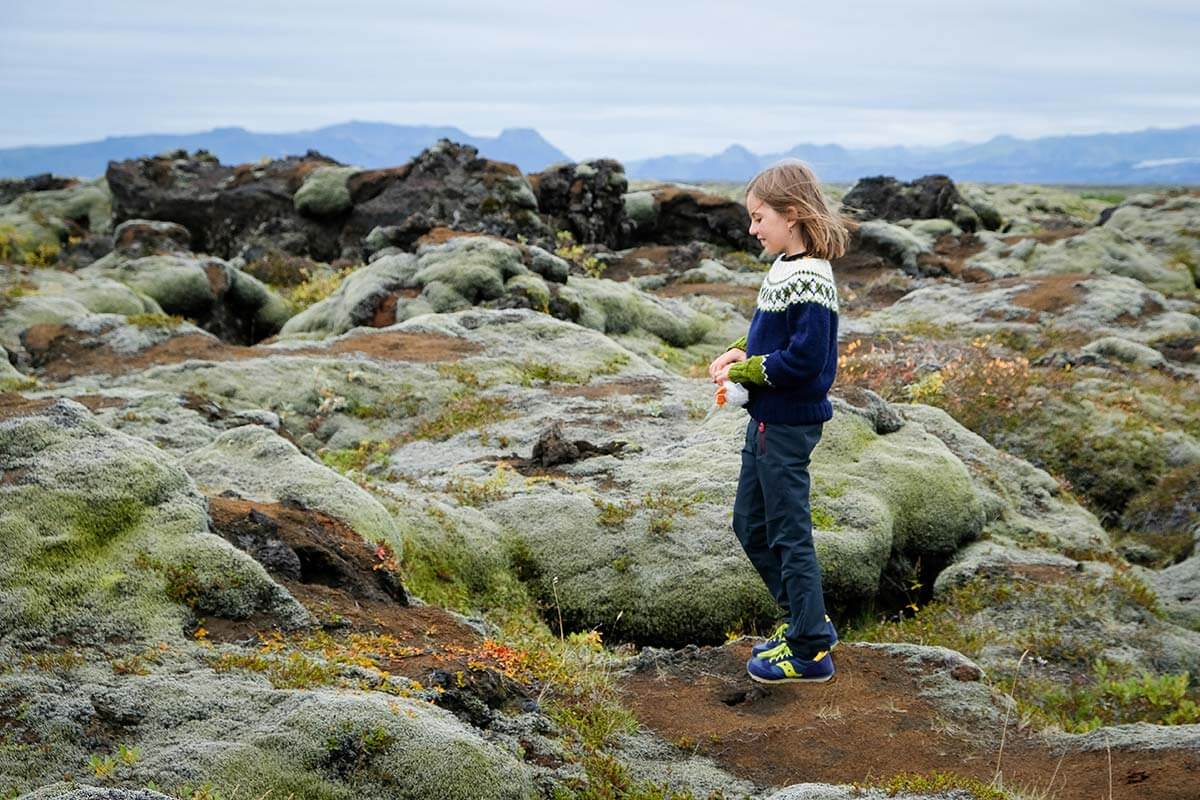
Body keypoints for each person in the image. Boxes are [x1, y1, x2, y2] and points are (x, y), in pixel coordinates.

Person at [708, 158, 849, 684]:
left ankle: (811, 649)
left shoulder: (811, 275)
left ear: (791, 214)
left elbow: (807, 361)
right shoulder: (786, 268)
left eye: (759, 216)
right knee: (750, 524)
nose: (752, 228)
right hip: (766, 419)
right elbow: (773, 339)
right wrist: (734, 352)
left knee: (789, 533)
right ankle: (808, 622)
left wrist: (747, 368)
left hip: (787, 425)